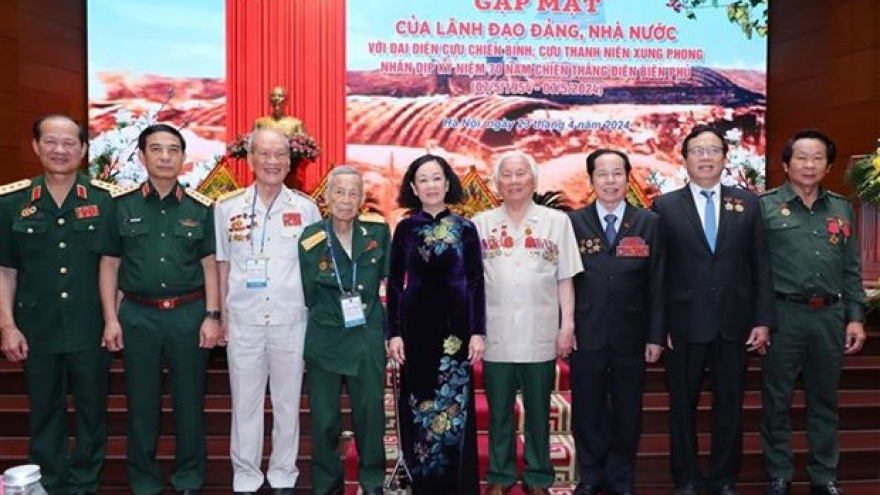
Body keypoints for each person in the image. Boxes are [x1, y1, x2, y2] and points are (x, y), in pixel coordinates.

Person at [98, 123, 221, 495]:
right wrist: (110, 319)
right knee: (142, 406)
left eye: (173, 150)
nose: (165, 157)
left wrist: (213, 316)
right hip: (139, 316)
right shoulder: (121, 206)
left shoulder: (202, 209)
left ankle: (188, 479)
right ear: (142, 156)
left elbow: (210, 264)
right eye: (156, 149)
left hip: (188, 314)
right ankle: (145, 482)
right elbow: (109, 264)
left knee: (188, 404)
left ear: (183, 158)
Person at [652, 124, 774, 495]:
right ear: (685, 159)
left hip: (734, 323)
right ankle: (686, 477)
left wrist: (763, 320)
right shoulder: (664, 206)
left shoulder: (748, 203)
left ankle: (723, 477)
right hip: (683, 324)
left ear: (725, 157)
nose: (705, 157)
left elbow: (761, 265)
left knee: (730, 406)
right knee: (682, 408)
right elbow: (657, 273)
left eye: (713, 150)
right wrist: (659, 328)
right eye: (697, 151)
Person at [0, 114, 114, 495]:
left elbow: (113, 265)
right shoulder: (12, 202)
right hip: (37, 327)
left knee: (91, 412)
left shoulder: (104, 200)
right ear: (36, 146)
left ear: (83, 150)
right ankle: (48, 482)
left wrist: (112, 319)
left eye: (69, 143)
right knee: (44, 411)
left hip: (89, 324)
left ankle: (85, 483)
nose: (60, 150)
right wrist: (7, 325)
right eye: (51, 142)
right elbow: (5, 270)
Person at [758, 130, 867, 495]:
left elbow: (851, 268)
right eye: (801, 157)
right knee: (777, 400)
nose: (809, 164)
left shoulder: (841, 207)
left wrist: (855, 316)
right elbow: (752, 269)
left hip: (829, 317)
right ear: (786, 165)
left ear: (828, 165)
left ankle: (824, 476)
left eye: (817, 157)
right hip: (783, 315)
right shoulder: (766, 207)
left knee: (824, 400)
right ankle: (779, 473)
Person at [214, 128, 322, 495]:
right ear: (250, 159)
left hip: (291, 320)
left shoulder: (306, 209)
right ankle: (245, 475)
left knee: (288, 402)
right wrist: (220, 315)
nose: (272, 162)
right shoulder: (227, 208)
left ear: (290, 161)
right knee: (244, 401)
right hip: (243, 320)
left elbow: (315, 268)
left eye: (280, 155)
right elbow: (222, 264)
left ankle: (283, 473)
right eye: (264, 154)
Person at [472, 151, 583, 495]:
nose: (514, 180)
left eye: (521, 174)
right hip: (496, 331)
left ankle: (538, 475)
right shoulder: (481, 223)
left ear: (534, 180)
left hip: (541, 329)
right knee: (499, 411)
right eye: (507, 174)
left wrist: (567, 326)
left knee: (538, 409)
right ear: (497, 183)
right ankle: (500, 476)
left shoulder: (556, 222)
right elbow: (471, 283)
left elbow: (565, 277)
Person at [386, 154, 485, 495]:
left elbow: (475, 283)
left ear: (447, 183)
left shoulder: (466, 229)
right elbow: (395, 282)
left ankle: (455, 485)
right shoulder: (404, 229)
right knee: (419, 404)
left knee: (454, 407)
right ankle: (422, 482)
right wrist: (394, 332)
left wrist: (477, 331)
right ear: (413, 187)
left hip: (455, 330)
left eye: (436, 178)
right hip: (416, 329)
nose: (431, 185)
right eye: (423, 179)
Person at [568, 149, 665, 495]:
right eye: (602, 174)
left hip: (632, 335)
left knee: (627, 410)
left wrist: (655, 336)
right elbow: (564, 282)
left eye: (617, 173)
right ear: (591, 180)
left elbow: (657, 284)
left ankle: (621, 478)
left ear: (628, 178)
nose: (610, 181)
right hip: (586, 333)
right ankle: (591, 476)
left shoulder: (648, 223)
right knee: (587, 408)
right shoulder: (573, 223)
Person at [298, 165, 391, 495]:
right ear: (326, 196)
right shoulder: (310, 238)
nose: (346, 199)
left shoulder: (378, 233)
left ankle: (372, 481)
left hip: (366, 335)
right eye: (339, 192)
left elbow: (389, 282)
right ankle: (326, 485)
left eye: (354, 193)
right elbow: (309, 292)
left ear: (363, 199)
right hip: (326, 338)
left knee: (371, 416)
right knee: (324, 421)